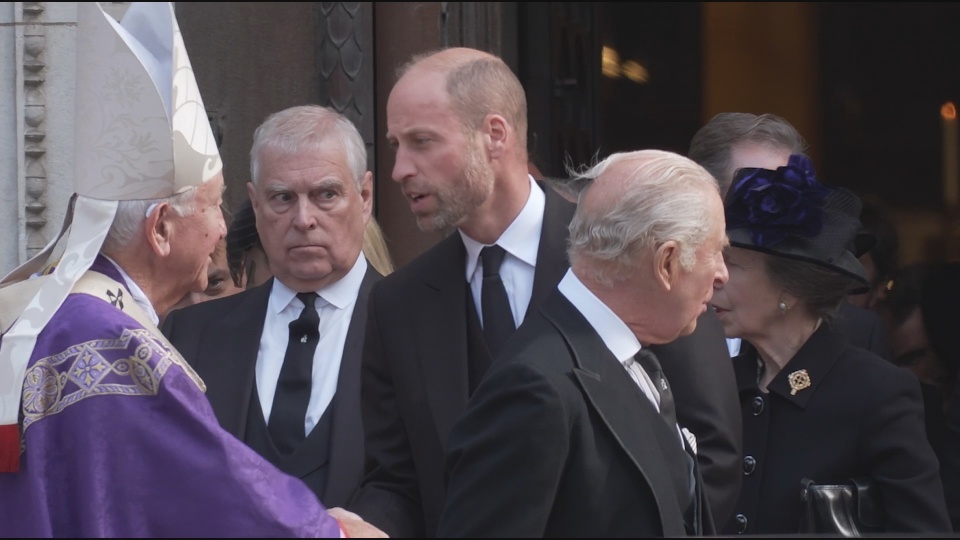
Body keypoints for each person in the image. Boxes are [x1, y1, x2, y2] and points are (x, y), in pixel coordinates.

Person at [0, 3, 368, 537]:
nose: (223, 228)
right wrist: (331, 532)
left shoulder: (57, 316)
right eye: (213, 206)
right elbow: (205, 490)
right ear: (161, 230)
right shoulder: (114, 342)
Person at [349, 46, 734, 537]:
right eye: (395, 145)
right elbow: (399, 482)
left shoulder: (622, 251)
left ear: (494, 135)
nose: (399, 169)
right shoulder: (397, 302)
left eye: (422, 141)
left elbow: (707, 454)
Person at [438, 149, 728, 536]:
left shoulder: (631, 357)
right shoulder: (534, 389)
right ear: (667, 263)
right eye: (715, 251)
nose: (722, 274)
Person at [712, 154, 950, 534]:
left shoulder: (876, 392)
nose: (715, 278)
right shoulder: (720, 385)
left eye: (732, 265)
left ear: (789, 288)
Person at [162, 105, 382, 511]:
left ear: (364, 197)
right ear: (256, 204)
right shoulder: (188, 336)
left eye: (326, 195)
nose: (304, 219)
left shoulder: (418, 326)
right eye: (283, 198)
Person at [689, 111, 891, 362]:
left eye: (789, 196)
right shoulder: (660, 318)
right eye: (757, 197)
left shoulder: (857, 331)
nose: (776, 214)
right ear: (705, 201)